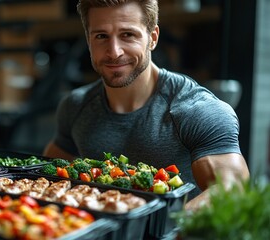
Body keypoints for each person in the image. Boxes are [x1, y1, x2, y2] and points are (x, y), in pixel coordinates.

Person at [42, 0, 250, 211]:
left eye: (127, 35)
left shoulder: (197, 110)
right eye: (101, 36)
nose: (114, 52)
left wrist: (167, 228)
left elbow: (232, 191)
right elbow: (43, 176)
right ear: (88, 41)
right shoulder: (75, 106)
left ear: (153, 38)